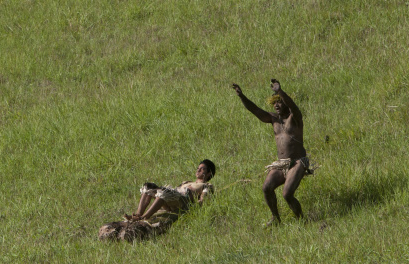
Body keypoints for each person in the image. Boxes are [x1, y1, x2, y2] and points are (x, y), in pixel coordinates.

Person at [232, 79, 311, 226]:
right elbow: (255, 110)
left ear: (286, 104)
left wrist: (279, 91)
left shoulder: (295, 118)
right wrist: (241, 96)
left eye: (280, 102)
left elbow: (293, 106)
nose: (277, 105)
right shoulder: (273, 120)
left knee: (287, 194)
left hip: (298, 162)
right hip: (281, 164)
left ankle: (302, 220)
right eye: (274, 103)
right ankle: (276, 219)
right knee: (266, 188)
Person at [98, 159, 216, 241]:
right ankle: (138, 214)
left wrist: (192, 207)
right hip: (173, 197)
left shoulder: (206, 185)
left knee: (165, 192)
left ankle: (144, 217)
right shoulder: (186, 182)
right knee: (148, 187)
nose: (198, 170)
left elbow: (202, 202)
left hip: (182, 200)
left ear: (209, 173)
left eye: (202, 169)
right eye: (198, 168)